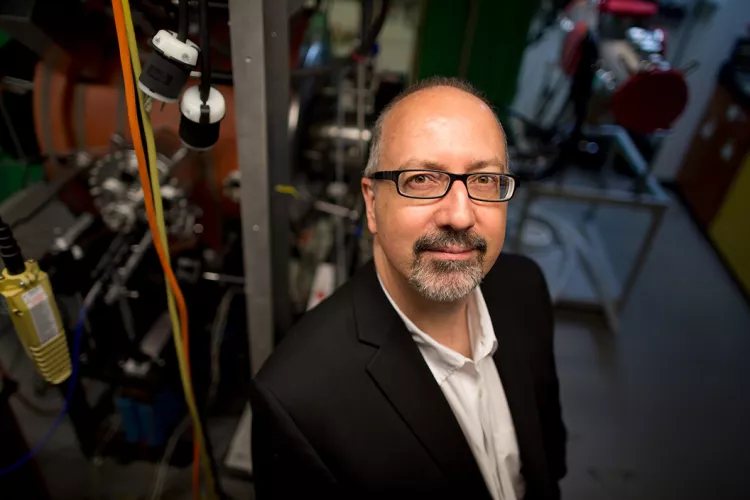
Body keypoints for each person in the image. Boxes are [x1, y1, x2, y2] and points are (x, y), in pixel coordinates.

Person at [250, 76, 567, 500]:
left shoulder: (524, 288)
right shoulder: (297, 398)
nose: (459, 215)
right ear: (372, 202)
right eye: (421, 179)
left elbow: (548, 460)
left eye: (484, 180)